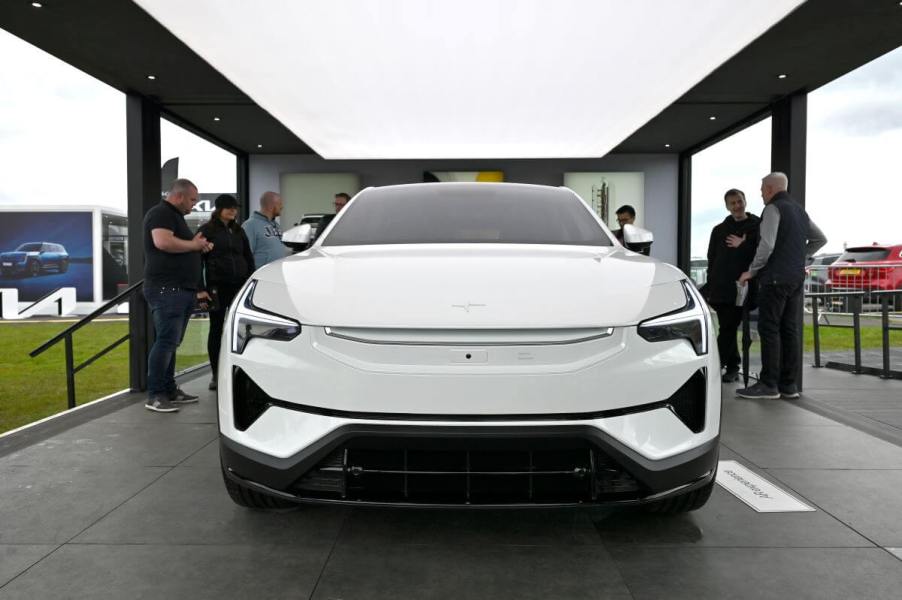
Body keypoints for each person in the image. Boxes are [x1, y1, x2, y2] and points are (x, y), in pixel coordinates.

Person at [736, 172, 827, 400]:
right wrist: (798, 256)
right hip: (795, 278)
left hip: (775, 278)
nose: (760, 194)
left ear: (769, 188)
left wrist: (752, 271)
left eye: (761, 190)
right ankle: (789, 385)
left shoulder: (773, 209)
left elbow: (767, 245)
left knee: (769, 329)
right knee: (789, 329)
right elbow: (820, 239)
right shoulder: (799, 210)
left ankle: (768, 385)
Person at [142, 178, 213, 413]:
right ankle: (155, 395)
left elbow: (177, 245)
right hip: (167, 289)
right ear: (179, 196)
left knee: (171, 342)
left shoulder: (175, 216)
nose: (194, 204)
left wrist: (197, 246)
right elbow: (162, 242)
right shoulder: (161, 213)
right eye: (192, 199)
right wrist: (193, 246)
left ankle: (169, 390)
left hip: (179, 289)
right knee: (166, 342)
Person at [198, 194, 255, 391]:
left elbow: (248, 257)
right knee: (216, 329)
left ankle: (242, 373)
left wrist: (251, 283)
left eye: (235, 208)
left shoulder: (239, 230)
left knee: (243, 328)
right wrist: (200, 289)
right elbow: (196, 261)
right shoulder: (206, 230)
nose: (233, 211)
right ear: (219, 209)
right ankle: (216, 374)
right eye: (229, 207)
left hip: (239, 286)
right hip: (217, 287)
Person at [705, 189, 760, 382]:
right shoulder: (719, 230)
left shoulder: (757, 227)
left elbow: (761, 255)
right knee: (727, 328)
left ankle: (715, 366)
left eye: (739, 201)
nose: (737, 206)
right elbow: (712, 258)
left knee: (728, 328)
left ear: (745, 201)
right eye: (732, 203)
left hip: (742, 287)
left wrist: (743, 245)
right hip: (720, 287)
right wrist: (710, 284)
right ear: (727, 206)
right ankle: (733, 367)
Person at [242, 191, 289, 267]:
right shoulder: (250, 225)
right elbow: (244, 255)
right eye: (279, 204)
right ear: (270, 206)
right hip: (261, 273)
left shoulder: (276, 225)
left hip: (277, 272)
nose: (282, 206)